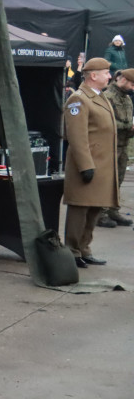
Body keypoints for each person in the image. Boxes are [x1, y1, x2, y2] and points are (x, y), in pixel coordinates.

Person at [62, 57, 118, 268]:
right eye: (106, 73)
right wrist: (86, 165)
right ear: (93, 75)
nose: (110, 76)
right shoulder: (78, 99)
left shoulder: (99, 97)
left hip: (101, 167)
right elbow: (77, 137)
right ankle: (72, 250)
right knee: (80, 209)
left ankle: (84, 248)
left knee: (94, 209)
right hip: (86, 166)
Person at [99, 68, 134, 227]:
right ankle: (100, 213)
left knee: (118, 180)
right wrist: (128, 127)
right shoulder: (107, 96)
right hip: (109, 146)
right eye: (132, 84)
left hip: (123, 145)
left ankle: (113, 210)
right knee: (106, 181)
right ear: (124, 80)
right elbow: (106, 122)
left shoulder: (126, 98)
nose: (133, 88)